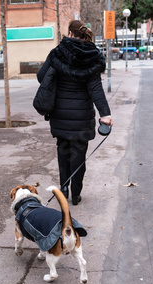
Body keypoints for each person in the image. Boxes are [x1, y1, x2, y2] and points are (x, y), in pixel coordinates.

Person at [37, 20, 112, 205]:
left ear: (70, 33)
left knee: (63, 154)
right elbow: (95, 88)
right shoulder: (92, 55)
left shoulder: (58, 52)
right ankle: (76, 194)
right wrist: (105, 114)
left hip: (60, 117)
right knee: (78, 157)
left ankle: (63, 187)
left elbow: (41, 76)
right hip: (81, 119)